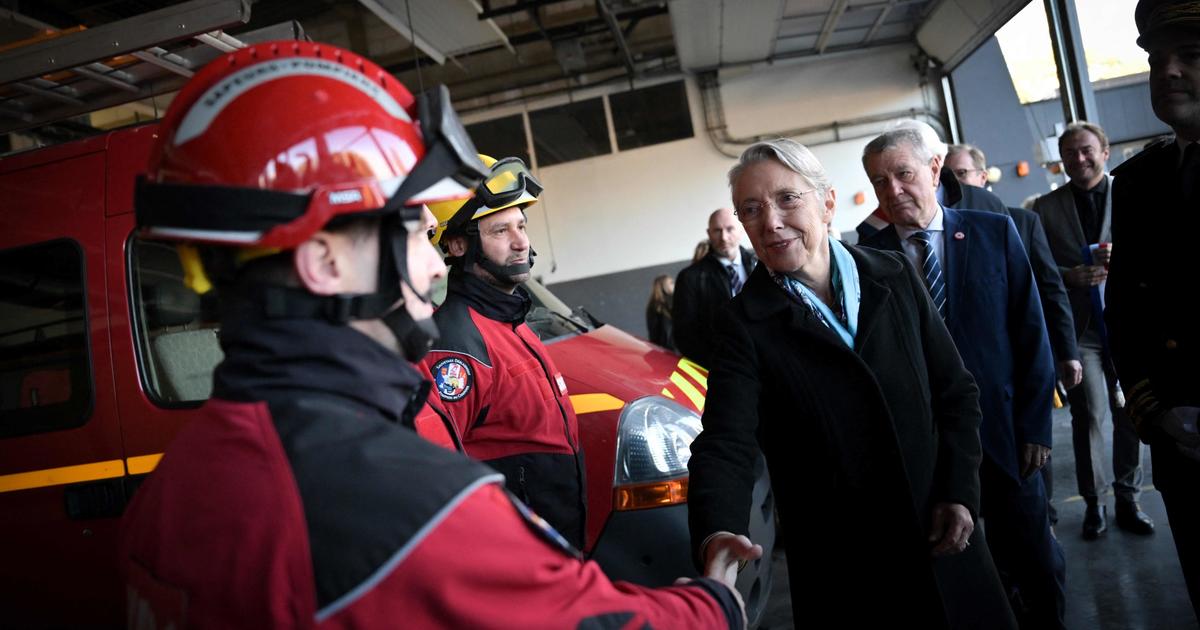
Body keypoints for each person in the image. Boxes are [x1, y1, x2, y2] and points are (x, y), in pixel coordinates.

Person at [119, 41, 746, 629]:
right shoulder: (409, 506)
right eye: (413, 232)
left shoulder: (171, 491)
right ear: (324, 262)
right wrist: (718, 599)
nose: (429, 265)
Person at [688, 138, 1015, 629]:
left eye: (787, 199)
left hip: (942, 535)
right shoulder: (743, 324)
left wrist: (960, 490)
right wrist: (718, 532)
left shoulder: (896, 275)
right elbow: (726, 443)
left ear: (828, 203)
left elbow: (956, 393)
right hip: (847, 567)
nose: (770, 221)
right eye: (750, 209)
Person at [860, 128, 1066, 629]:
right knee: (967, 580)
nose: (893, 191)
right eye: (879, 182)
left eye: (904, 174)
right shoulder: (867, 261)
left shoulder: (993, 230)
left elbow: (1030, 332)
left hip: (1006, 438)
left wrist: (1037, 426)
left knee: (1037, 564)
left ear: (934, 170)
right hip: (931, 453)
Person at [423, 155, 587, 549]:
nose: (521, 242)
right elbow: (440, 480)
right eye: (500, 231)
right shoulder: (458, 345)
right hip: (519, 563)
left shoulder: (512, 320)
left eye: (522, 226)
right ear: (459, 244)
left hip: (556, 550)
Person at [1107, 0, 1200, 617]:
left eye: (1189, 57)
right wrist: (1158, 413)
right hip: (1182, 450)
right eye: (1156, 59)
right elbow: (1125, 313)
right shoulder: (1138, 181)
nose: (1167, 72)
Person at [1033, 122, 1153, 539]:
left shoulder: (1134, 191)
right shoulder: (1044, 209)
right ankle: (1095, 503)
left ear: (1104, 150)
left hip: (1129, 322)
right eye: (1069, 154)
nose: (1078, 160)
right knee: (1090, 416)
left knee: (1131, 412)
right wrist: (1070, 276)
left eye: (1086, 150)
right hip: (1080, 330)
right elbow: (1040, 270)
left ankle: (1128, 497)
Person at [673, 208, 757, 366]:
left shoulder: (762, 266)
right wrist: (720, 364)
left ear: (741, 229)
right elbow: (684, 335)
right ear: (709, 233)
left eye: (729, 229)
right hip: (725, 368)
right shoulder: (690, 278)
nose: (724, 237)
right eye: (717, 231)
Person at [646, 273, 675, 349]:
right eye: (671, 283)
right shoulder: (670, 302)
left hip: (662, 349)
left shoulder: (652, 305)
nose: (674, 284)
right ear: (664, 286)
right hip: (672, 348)